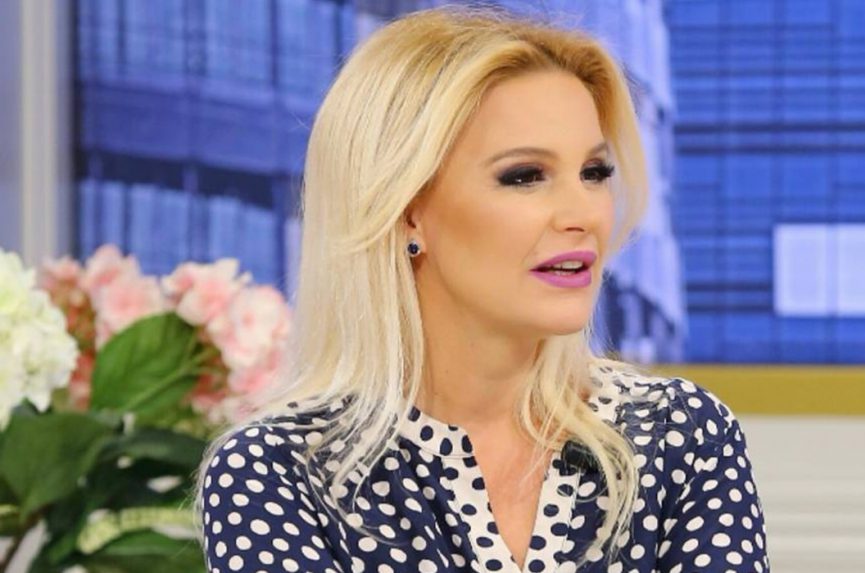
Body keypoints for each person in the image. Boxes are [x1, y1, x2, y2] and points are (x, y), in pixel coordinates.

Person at [195, 6, 769, 572]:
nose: (582, 215)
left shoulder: (681, 434)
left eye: (594, 173)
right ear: (408, 211)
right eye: (525, 176)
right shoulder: (276, 472)